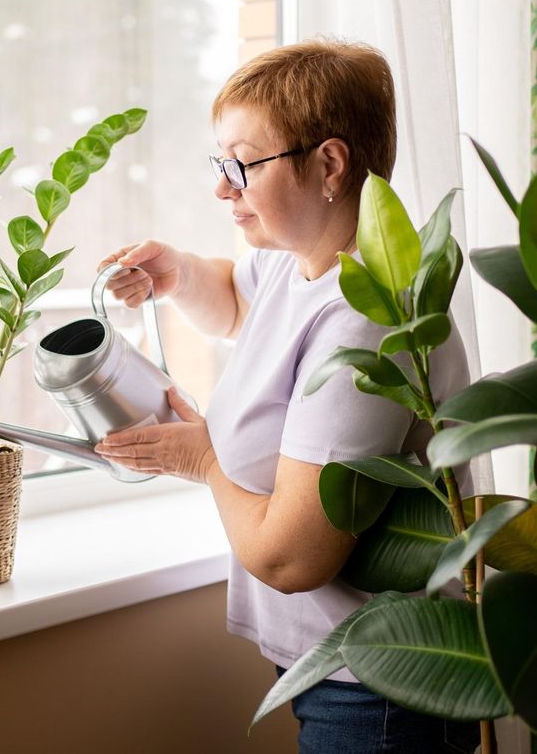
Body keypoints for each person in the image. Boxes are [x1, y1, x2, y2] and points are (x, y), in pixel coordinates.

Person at [93, 39, 479, 753]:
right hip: (336, 673)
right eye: (220, 163)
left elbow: (291, 559)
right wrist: (176, 274)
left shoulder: (368, 316)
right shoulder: (296, 264)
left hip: (381, 691)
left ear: (329, 165)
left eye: (242, 163)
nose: (222, 187)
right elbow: (238, 303)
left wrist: (205, 462)